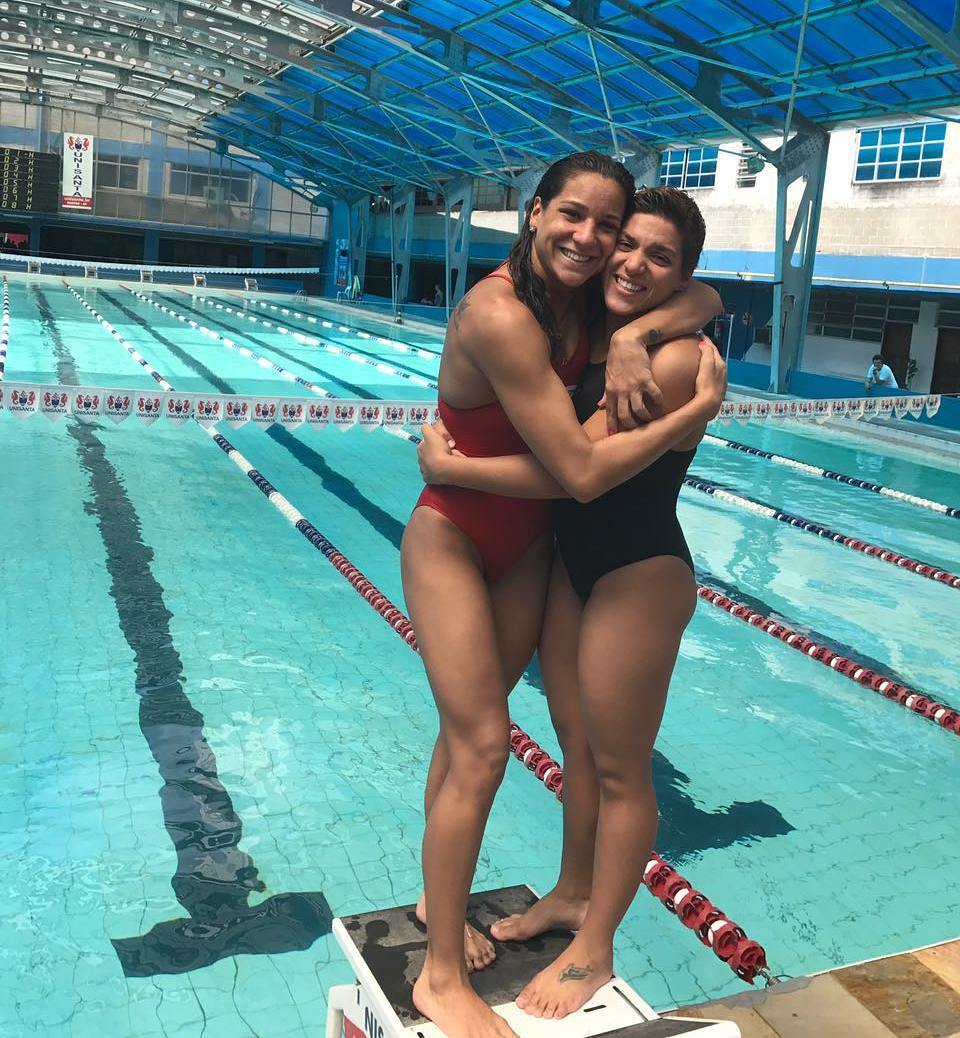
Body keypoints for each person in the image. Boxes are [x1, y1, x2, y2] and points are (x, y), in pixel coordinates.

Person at [400, 152, 724, 1038]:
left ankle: (592, 938)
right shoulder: (535, 310)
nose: (611, 250)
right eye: (607, 232)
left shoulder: (639, 337)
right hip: (509, 549)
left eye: (622, 235)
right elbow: (580, 466)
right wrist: (640, 344)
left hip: (618, 566)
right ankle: (460, 936)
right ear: (535, 211)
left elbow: (583, 469)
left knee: (600, 761)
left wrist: (682, 402)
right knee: (493, 743)